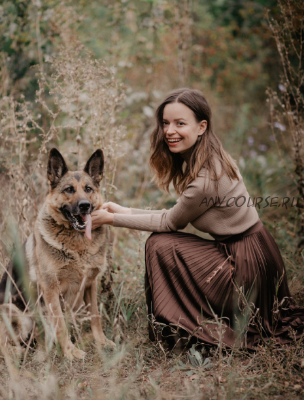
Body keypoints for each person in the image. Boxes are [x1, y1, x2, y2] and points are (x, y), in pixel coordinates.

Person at [91, 88, 304, 350]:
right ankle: (180, 324)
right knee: (163, 242)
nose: (169, 131)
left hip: (246, 267)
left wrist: (110, 219)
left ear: (202, 127)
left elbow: (170, 223)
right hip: (253, 252)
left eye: (180, 123)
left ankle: (179, 329)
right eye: (165, 123)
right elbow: (173, 216)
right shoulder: (209, 157)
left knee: (161, 245)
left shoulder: (206, 179)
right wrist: (119, 210)